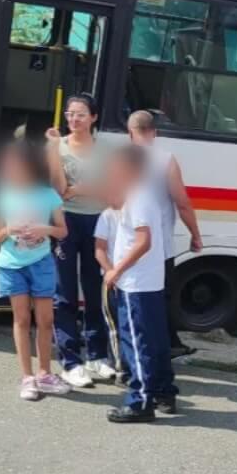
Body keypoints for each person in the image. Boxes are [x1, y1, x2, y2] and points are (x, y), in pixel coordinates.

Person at [95, 145, 177, 423]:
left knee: (136, 342)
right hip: (148, 281)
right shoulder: (140, 195)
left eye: (117, 167)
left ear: (130, 169)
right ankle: (164, 391)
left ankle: (140, 401)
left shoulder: (138, 197)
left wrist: (116, 270)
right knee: (155, 340)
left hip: (135, 283)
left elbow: (143, 241)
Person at [0, 141, 72, 402]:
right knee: (22, 320)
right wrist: (9, 230)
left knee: (46, 320)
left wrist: (44, 230)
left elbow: (62, 231)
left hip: (42, 262)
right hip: (11, 264)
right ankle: (27, 377)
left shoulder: (48, 195)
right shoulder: (3, 196)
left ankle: (45, 373)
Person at [46, 94, 119, 389]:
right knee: (63, 292)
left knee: (94, 288)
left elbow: (111, 192)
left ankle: (98, 355)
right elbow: (58, 189)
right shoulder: (57, 147)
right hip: (65, 221)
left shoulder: (106, 151)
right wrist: (52, 150)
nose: (73, 120)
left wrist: (78, 190)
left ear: (94, 118)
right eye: (70, 114)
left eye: (80, 114)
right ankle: (70, 361)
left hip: (97, 221)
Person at [125, 110, 203, 357]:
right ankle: (162, 348)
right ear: (154, 132)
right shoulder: (165, 159)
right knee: (160, 296)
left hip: (127, 244)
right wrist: (195, 234)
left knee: (128, 297)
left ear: (130, 133)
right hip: (158, 245)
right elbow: (182, 203)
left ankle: (131, 350)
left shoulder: (119, 159)